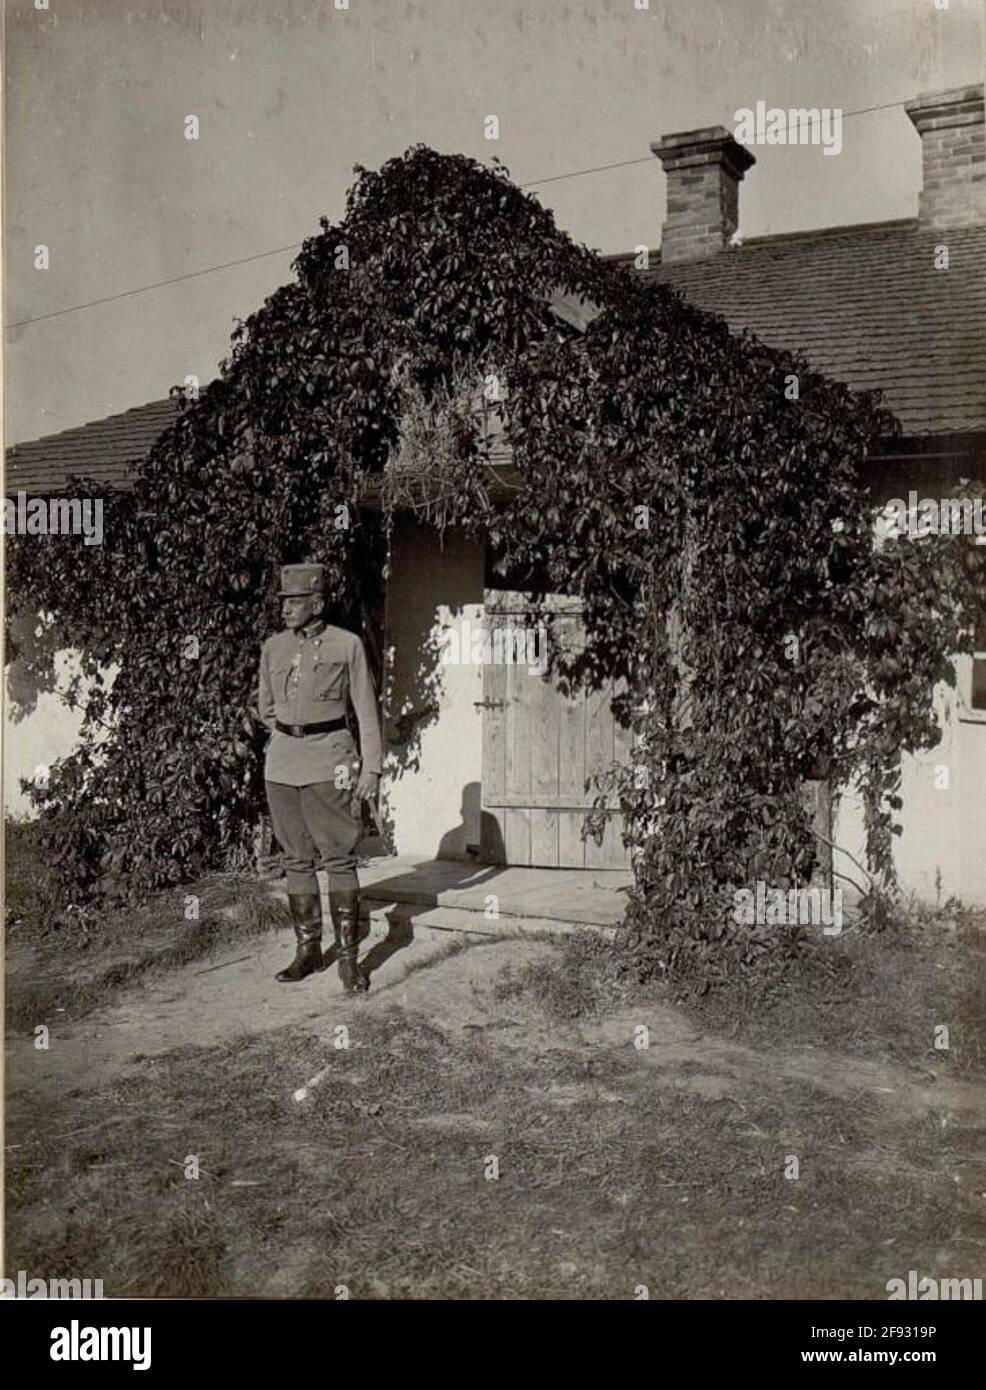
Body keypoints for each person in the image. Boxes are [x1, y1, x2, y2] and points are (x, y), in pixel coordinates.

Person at [258, 563, 382, 992]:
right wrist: (291, 734)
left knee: (339, 859)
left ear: (318, 602)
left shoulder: (347, 645)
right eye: (283, 602)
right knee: (295, 859)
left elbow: (365, 709)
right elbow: (266, 707)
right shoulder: (273, 647)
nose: (286, 609)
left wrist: (372, 767)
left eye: (294, 602)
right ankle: (308, 952)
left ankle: (349, 961)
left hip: (331, 760)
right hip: (282, 764)